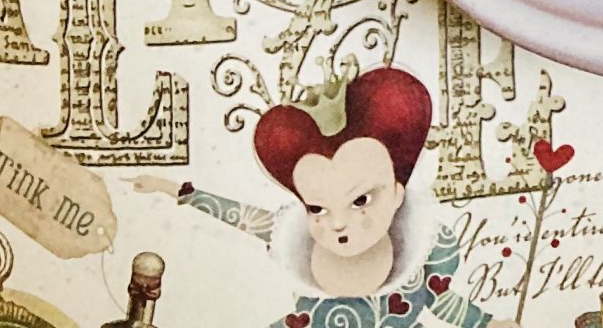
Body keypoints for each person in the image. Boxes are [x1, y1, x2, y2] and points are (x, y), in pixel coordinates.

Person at [139, 67, 495, 327]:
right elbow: (238, 215)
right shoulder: (297, 243)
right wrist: (169, 188)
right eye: (317, 208)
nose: (337, 223)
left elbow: (443, 303)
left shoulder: (421, 256)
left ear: (397, 193)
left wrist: (489, 324)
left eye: (360, 201)